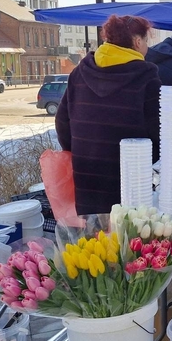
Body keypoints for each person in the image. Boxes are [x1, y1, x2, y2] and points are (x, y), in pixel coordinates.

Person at [56, 15, 163, 215]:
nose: (147, 47)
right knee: (128, 237)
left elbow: (62, 122)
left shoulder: (79, 72)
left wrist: (81, 151)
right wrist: (145, 160)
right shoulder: (146, 77)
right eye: (146, 41)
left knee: (93, 239)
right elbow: (158, 130)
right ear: (137, 42)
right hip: (129, 175)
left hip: (86, 172)